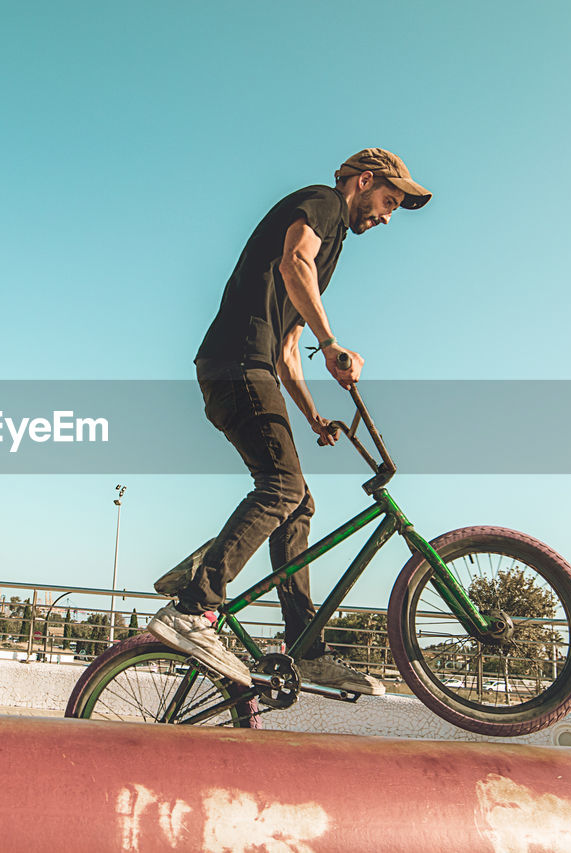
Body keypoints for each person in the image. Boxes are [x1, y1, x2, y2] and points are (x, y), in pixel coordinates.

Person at [148, 148, 432, 691]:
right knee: (281, 487)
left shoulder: (330, 252)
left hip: (252, 364)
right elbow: (292, 263)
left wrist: (315, 414)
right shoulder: (323, 204)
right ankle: (193, 609)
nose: (387, 215)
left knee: (297, 501)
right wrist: (332, 344)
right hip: (237, 362)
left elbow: (287, 345)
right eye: (388, 201)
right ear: (364, 181)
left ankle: (304, 646)